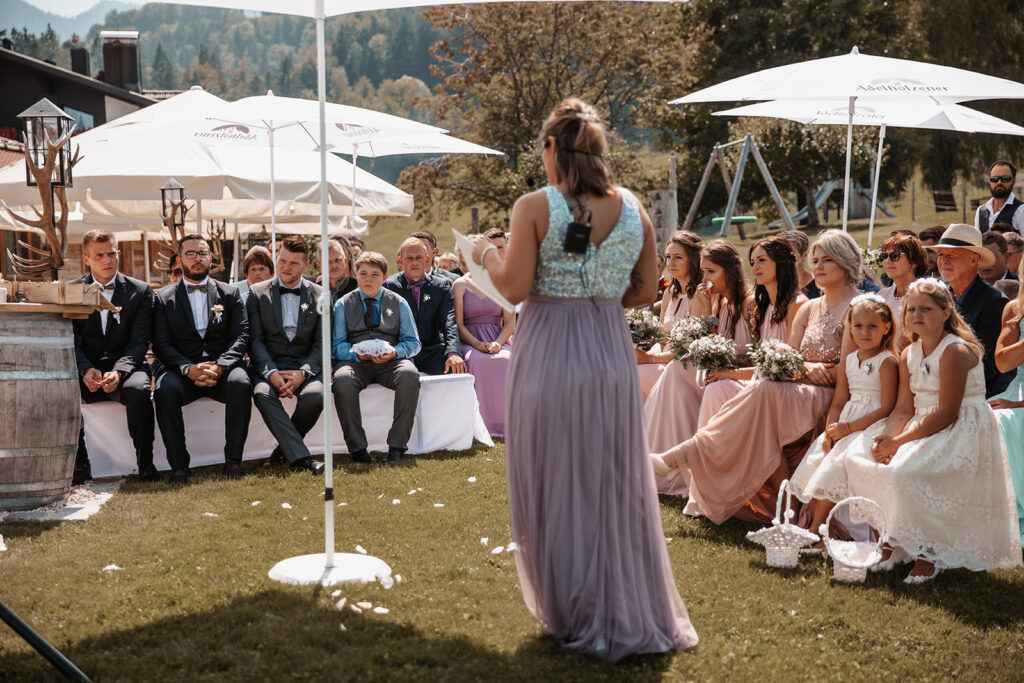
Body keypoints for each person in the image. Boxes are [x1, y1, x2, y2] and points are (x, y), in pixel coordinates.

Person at [471, 97, 698, 661]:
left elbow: (516, 286)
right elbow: (646, 291)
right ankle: (624, 604)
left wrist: (482, 253)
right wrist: (596, 290)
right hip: (607, 347)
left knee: (554, 476)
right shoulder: (633, 210)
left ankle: (574, 607)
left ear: (552, 147)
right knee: (611, 480)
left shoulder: (534, 206)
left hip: (550, 346)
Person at [653, 229, 861, 525]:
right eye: (815, 260)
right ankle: (772, 499)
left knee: (762, 390)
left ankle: (685, 456)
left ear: (846, 262)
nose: (818, 267)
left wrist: (814, 371)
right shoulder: (813, 307)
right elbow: (788, 360)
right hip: (793, 386)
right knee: (749, 392)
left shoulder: (857, 306)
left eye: (827, 260)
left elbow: (856, 366)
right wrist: (805, 369)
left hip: (829, 395)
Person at [837, 279, 1022, 582]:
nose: (916, 315)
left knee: (906, 473)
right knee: (870, 464)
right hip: (921, 425)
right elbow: (902, 409)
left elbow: (947, 413)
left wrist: (899, 440)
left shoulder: (956, 351)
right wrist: (888, 440)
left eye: (926, 309)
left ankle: (929, 554)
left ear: (946, 312)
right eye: (911, 309)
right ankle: (895, 541)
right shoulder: (909, 353)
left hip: (961, 428)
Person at [789, 294, 899, 544]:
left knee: (836, 465)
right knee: (821, 457)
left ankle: (818, 531)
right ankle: (815, 527)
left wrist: (848, 428)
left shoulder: (887, 362)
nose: (864, 332)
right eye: (857, 326)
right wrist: (830, 432)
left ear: (886, 327)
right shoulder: (848, 360)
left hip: (869, 424)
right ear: (849, 328)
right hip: (845, 422)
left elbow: (886, 407)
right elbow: (839, 401)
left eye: (872, 326)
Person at [152, 234, 251, 485]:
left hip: (222, 367)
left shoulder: (230, 294)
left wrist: (222, 365)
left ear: (211, 258)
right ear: (180, 258)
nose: (198, 259)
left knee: (241, 384)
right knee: (164, 391)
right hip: (181, 369)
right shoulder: (163, 298)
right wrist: (187, 368)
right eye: (191, 254)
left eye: (203, 253)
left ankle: (234, 461)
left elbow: (241, 335)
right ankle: (179, 467)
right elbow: (161, 344)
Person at [644, 240, 751, 465]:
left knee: (675, 369)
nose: (705, 279)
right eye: (703, 272)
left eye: (710, 271)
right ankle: (655, 453)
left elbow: (703, 342)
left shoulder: (745, 304)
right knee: (668, 370)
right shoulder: (714, 301)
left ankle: (673, 458)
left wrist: (652, 358)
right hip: (706, 367)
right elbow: (683, 337)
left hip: (727, 372)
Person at [70, 230, 156, 483]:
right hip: (88, 367)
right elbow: (70, 339)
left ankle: (146, 463)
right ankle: (80, 463)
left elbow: (140, 342)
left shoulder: (139, 291)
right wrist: (85, 369)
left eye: (112, 253)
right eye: (100, 256)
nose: (108, 260)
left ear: (118, 253)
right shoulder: (73, 291)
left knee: (139, 391)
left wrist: (119, 372)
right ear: (87, 259)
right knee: (61, 391)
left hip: (127, 365)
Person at [695, 235, 807, 427]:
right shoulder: (763, 307)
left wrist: (729, 373)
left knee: (718, 389)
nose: (755, 267)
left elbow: (786, 365)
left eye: (761, 260)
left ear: (781, 263)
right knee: (713, 387)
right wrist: (705, 308)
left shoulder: (796, 304)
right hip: (759, 380)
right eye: (753, 262)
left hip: (779, 385)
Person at [332, 251, 421, 464]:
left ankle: (397, 448)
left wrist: (395, 353)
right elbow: (336, 346)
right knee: (342, 380)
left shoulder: (399, 302)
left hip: (390, 362)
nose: (368, 279)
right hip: (356, 363)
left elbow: (413, 342)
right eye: (363, 274)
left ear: (384, 278)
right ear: (355, 274)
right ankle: (358, 450)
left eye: (374, 275)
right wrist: (357, 355)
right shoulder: (343, 304)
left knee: (409, 375)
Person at [247, 236, 326, 474]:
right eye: (282, 261)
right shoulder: (256, 293)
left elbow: (322, 343)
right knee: (262, 394)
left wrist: (304, 373)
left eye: (293, 263)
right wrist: (271, 373)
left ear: (306, 264)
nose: (286, 267)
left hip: (305, 367)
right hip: (270, 366)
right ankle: (303, 459)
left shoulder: (321, 295)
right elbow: (255, 341)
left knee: (315, 396)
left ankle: (281, 452)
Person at [926, 223, 1014, 397]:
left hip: (973, 395)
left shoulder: (994, 302)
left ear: (974, 260)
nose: (943, 261)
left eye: (951, 255)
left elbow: (987, 368)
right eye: (941, 254)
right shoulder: (937, 297)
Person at [453, 228, 514, 437]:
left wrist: (497, 343)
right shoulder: (460, 285)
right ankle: (482, 424)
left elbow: (509, 323)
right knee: (478, 361)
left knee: (508, 360)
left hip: (499, 338)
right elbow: (458, 324)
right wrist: (477, 344)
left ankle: (508, 422)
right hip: (469, 339)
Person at [635, 231, 706, 399]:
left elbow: (691, 346)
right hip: (661, 358)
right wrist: (642, 356)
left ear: (693, 260)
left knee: (634, 377)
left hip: (683, 363)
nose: (671, 263)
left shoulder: (700, 295)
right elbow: (662, 339)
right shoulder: (669, 293)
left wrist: (651, 359)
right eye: (668, 257)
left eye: (678, 257)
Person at [384, 237, 466, 375]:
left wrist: (453, 353)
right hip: (401, 352)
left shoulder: (441, 286)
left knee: (455, 367)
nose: (414, 262)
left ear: (427, 259)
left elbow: (449, 322)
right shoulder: (389, 287)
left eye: (418, 257)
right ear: (400, 261)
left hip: (432, 350)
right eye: (409, 258)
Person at [988, 254, 1024, 548]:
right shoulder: (1014, 309)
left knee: (1006, 421)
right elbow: (1002, 362)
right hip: (1017, 389)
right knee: (987, 417)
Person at [877, 232, 929, 349]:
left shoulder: (926, 295)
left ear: (914, 261)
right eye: (884, 256)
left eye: (894, 256)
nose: (887, 261)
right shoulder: (882, 296)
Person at [974, 160, 1024, 234]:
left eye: (1005, 178)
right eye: (994, 179)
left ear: (1013, 180)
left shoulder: (1021, 210)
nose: (999, 182)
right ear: (989, 181)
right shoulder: (981, 211)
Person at [318, 236, 358, 305]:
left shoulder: (358, 288)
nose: (334, 266)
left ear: (345, 261)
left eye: (337, 260)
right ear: (319, 266)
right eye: (328, 262)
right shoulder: (314, 291)